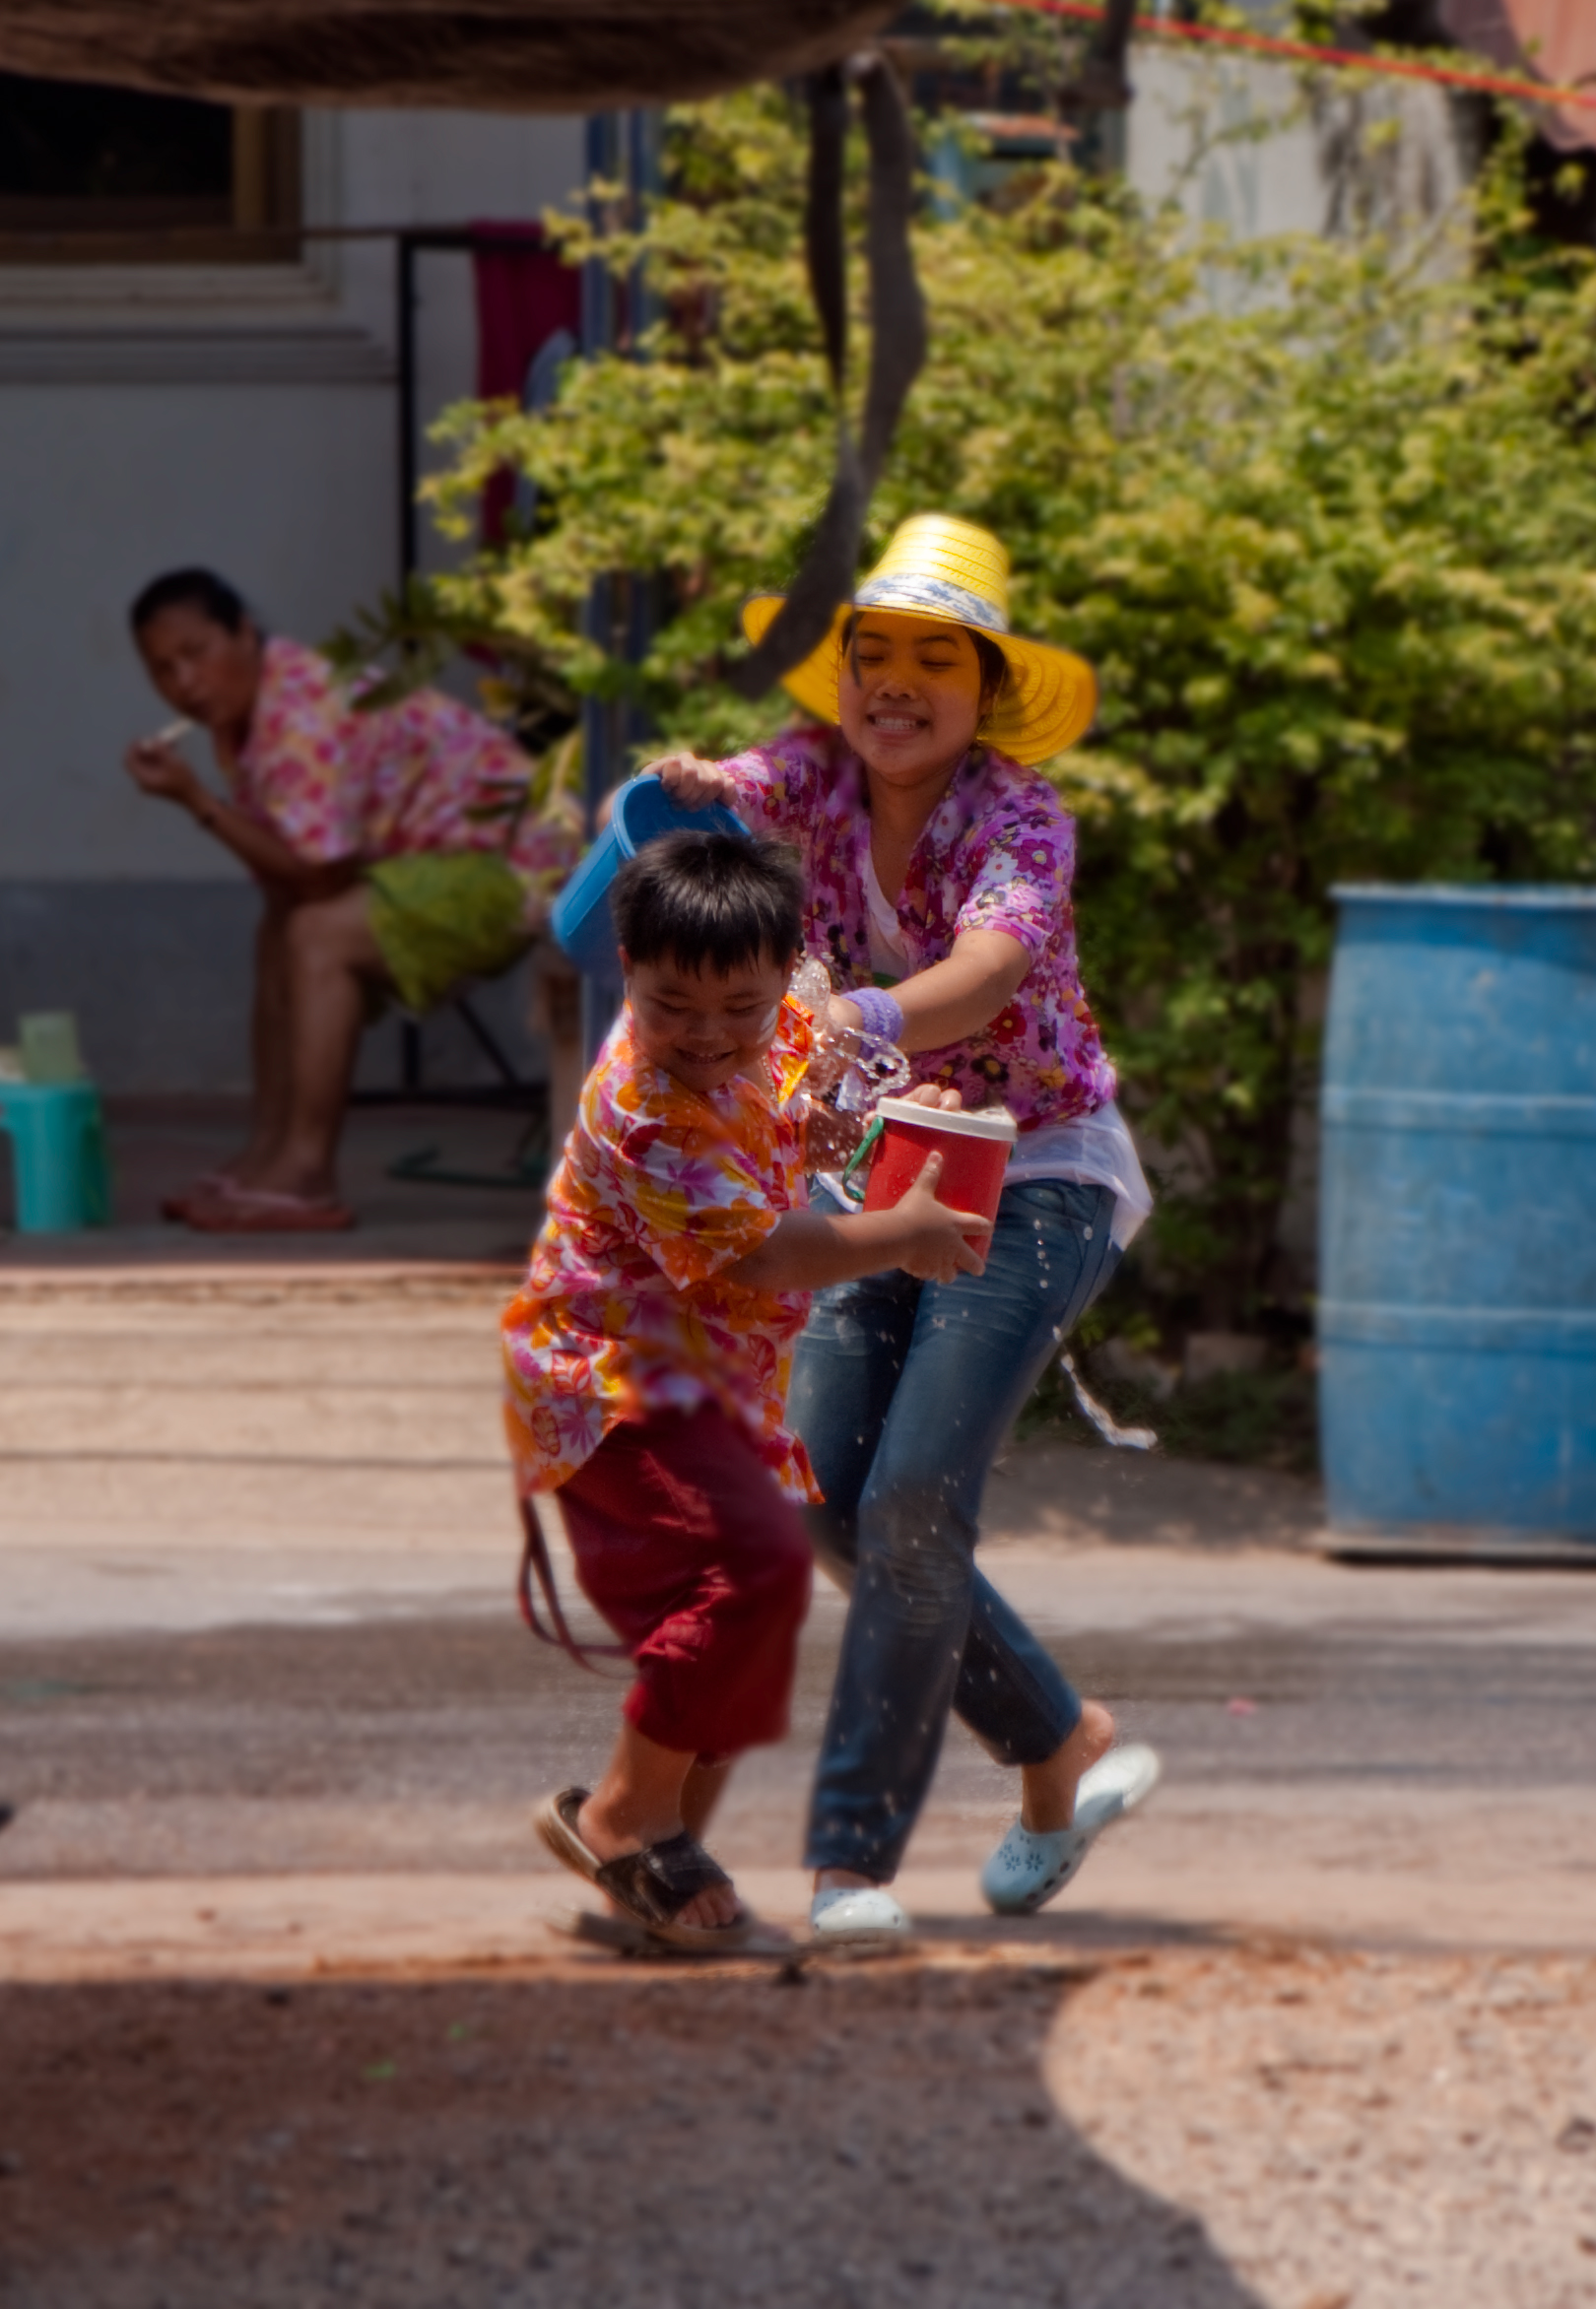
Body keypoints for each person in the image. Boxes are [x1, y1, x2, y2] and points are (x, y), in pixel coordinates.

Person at [648, 513, 1161, 1943]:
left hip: (1040, 1167)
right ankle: (1060, 1744)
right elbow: (729, 791)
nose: (894, 683)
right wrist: (686, 786)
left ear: (986, 688)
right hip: (877, 1161)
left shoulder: (1022, 818)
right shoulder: (812, 776)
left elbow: (992, 969)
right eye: (874, 652)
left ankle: (851, 1867)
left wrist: (855, 1013)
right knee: (826, 1490)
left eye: (936, 659)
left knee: (916, 1500)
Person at [506, 828, 992, 1951]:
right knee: (752, 1578)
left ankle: (655, 1849)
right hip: (615, 1386)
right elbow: (768, 1255)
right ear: (626, 969)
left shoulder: (774, 1030)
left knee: (750, 1618)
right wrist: (902, 1231)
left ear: (783, 976)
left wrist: (856, 1116)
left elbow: (807, 1084)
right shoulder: (647, 1112)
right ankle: (623, 1818)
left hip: (719, 1385)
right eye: (675, 1005)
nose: (711, 1036)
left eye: (743, 1005)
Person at [123, 567, 580, 1231]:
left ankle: (306, 1173)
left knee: (316, 931)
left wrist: (197, 802)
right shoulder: (249, 712)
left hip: (513, 869)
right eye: (162, 669)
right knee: (279, 926)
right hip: (445, 859)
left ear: (244, 633)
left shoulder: (302, 713)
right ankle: (271, 1153)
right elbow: (293, 879)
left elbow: (318, 880)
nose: (184, 683)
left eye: (196, 653)